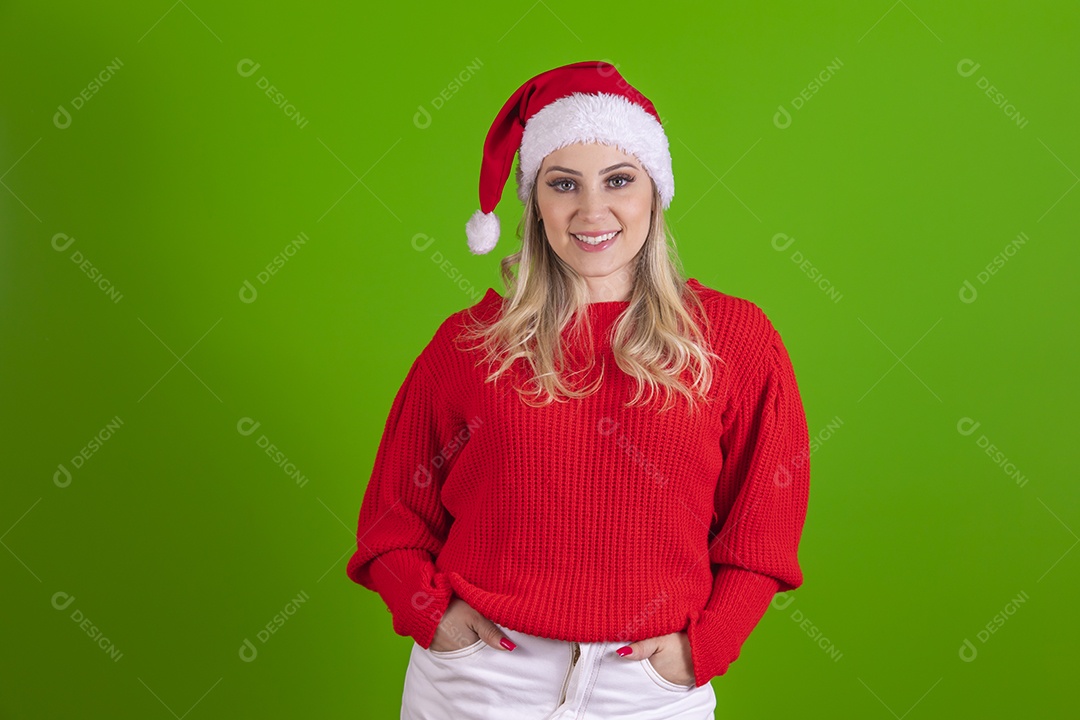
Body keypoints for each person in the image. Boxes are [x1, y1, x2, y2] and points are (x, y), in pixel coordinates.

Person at [346, 60, 811, 719]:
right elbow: (392, 516)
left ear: (654, 191)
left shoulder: (734, 337)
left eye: (618, 180)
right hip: (481, 682)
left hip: (647, 688)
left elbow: (762, 525)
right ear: (536, 202)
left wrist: (707, 646)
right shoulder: (469, 343)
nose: (592, 211)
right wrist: (432, 616)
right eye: (564, 184)